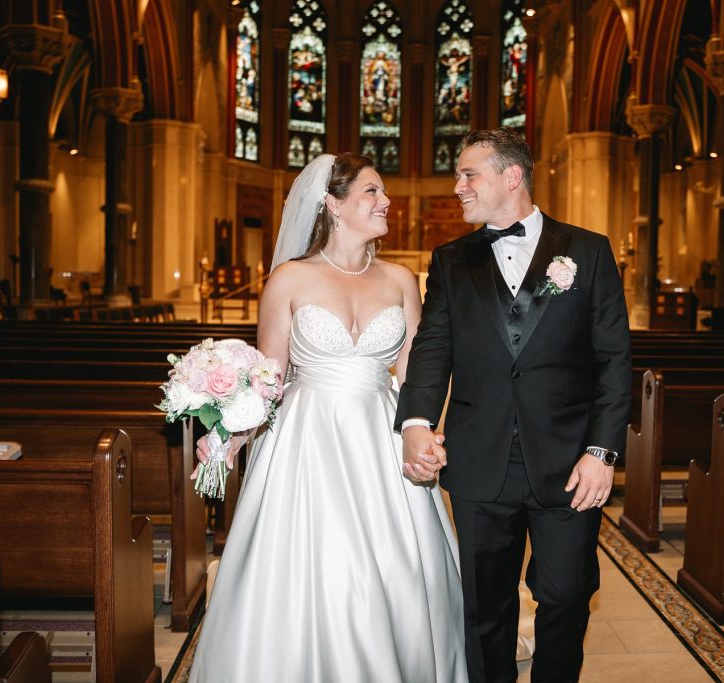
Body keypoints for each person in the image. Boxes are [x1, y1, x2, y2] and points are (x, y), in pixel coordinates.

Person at [189, 153, 467, 682]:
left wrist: (428, 432)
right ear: (333, 205)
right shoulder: (289, 281)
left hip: (382, 439)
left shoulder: (402, 280)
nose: (386, 202)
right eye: (371, 192)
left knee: (400, 570)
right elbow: (268, 380)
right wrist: (230, 435)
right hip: (307, 444)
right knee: (318, 570)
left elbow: (417, 377)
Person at [396, 127, 632, 683]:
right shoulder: (452, 261)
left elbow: (613, 363)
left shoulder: (587, 251)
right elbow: (432, 349)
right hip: (481, 462)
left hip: (571, 463)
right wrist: (415, 421)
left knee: (569, 596)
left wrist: (602, 451)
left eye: (467, 174)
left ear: (511, 176)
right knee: (485, 609)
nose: (457, 186)